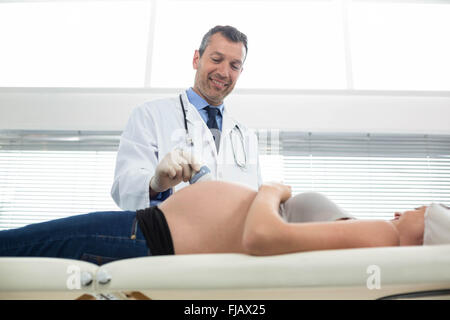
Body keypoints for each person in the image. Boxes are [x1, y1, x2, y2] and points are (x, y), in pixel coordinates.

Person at [0, 181, 426, 265]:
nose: (399, 213)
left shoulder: (383, 238)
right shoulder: (375, 238)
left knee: (11, 246)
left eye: (417, 212)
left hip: (144, 236)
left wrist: (269, 191)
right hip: (145, 232)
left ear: (429, 234)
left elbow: (260, 235)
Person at [111, 25, 262, 211]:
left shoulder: (246, 136)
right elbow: (123, 187)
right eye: (216, 59)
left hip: (231, 239)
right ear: (196, 59)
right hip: (173, 237)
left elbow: (256, 203)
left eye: (234, 66)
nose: (224, 72)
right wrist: (155, 184)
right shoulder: (149, 115)